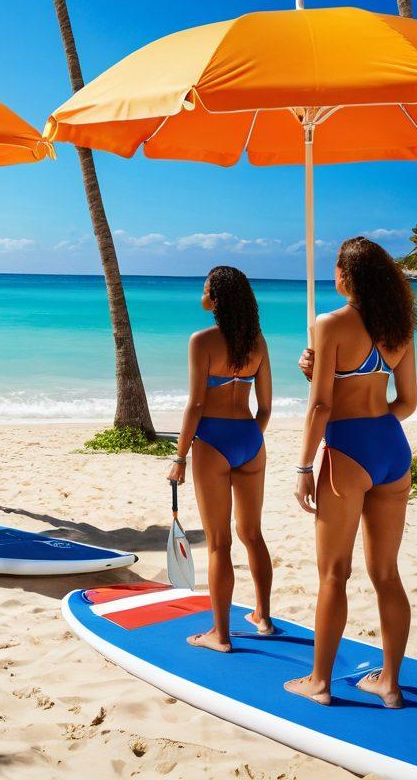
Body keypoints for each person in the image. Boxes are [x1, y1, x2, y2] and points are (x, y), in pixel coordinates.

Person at [285, 237, 417, 709]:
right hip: (392, 450)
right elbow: (407, 402)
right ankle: (391, 684)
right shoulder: (399, 328)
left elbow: (321, 405)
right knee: (386, 573)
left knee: (333, 574)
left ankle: (319, 682)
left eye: (336, 267)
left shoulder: (330, 323)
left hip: (347, 451)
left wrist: (304, 466)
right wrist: (373, 425)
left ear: (347, 274)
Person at [168, 266, 274, 651]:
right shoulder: (257, 342)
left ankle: (221, 635)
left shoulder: (202, 341)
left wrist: (180, 456)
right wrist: (248, 437)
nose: (202, 293)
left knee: (219, 543)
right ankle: (263, 617)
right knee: (252, 534)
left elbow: (196, 404)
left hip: (212, 442)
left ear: (215, 299)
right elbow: (266, 407)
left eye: (205, 288)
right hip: (250, 440)